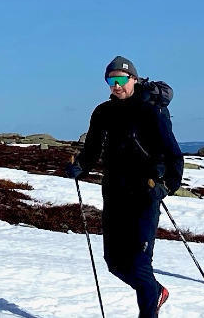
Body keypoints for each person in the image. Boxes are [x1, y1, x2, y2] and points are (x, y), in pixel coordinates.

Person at [64, 56, 183, 317]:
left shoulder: (149, 111)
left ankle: (149, 309)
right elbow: (92, 149)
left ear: (134, 79)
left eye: (121, 80)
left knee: (139, 266)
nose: (116, 86)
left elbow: (173, 154)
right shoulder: (102, 112)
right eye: (110, 80)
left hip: (144, 195)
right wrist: (80, 167)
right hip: (114, 194)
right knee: (115, 264)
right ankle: (157, 292)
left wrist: (167, 186)